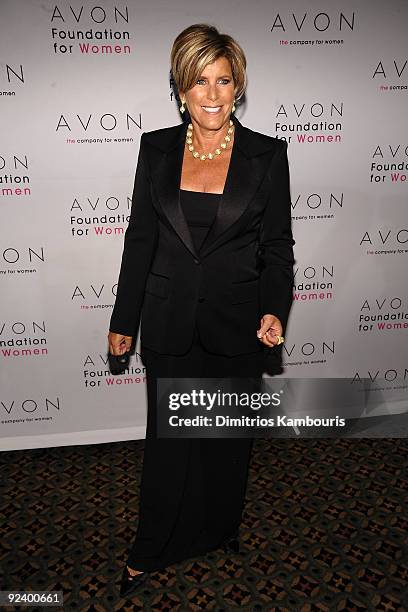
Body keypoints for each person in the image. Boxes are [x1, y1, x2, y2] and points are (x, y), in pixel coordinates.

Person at [107, 23, 295, 597]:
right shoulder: (156, 149)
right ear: (180, 87)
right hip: (168, 319)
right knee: (169, 443)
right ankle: (152, 547)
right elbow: (140, 240)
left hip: (237, 322)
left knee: (225, 441)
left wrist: (273, 308)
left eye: (223, 81)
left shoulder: (267, 154)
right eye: (199, 82)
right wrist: (122, 320)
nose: (212, 96)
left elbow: (277, 247)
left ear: (238, 86)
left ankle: (218, 529)